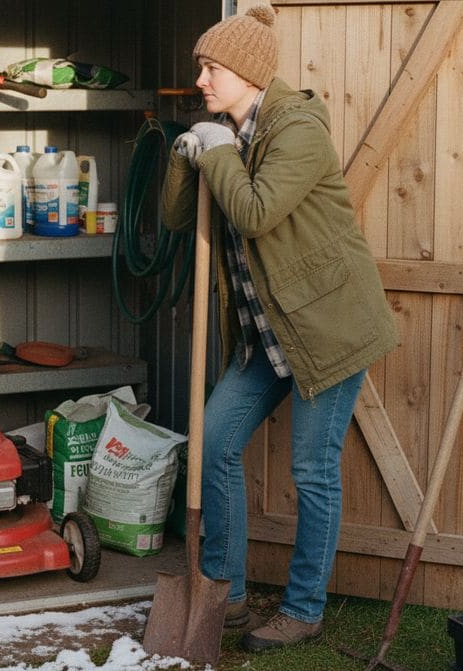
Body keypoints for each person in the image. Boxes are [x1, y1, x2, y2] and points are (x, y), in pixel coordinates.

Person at [160, 4, 399, 652]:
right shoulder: (227, 133)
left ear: (245, 70)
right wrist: (189, 153)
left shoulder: (296, 130)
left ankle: (302, 608)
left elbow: (257, 211)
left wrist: (216, 152)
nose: (201, 80)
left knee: (311, 467)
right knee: (211, 445)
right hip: (266, 336)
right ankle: (226, 593)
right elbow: (178, 217)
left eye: (210, 68)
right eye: (200, 68)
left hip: (328, 325)